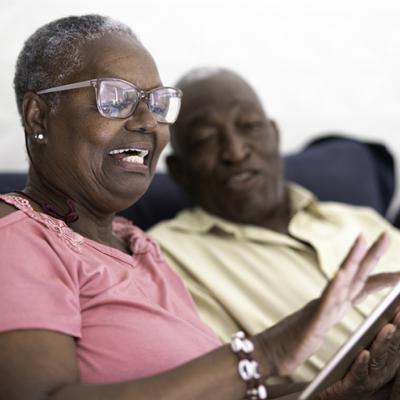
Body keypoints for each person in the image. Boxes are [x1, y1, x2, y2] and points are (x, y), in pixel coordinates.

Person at [0, 15, 399, 400]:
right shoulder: (16, 239)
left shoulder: (139, 248)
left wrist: (347, 390)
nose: (146, 121)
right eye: (116, 98)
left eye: (157, 103)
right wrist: (266, 352)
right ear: (39, 115)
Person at [149, 67, 400, 381]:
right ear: (179, 171)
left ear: (275, 135)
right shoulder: (167, 259)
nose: (236, 152)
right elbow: (225, 385)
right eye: (206, 139)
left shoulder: (357, 218)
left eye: (250, 126)